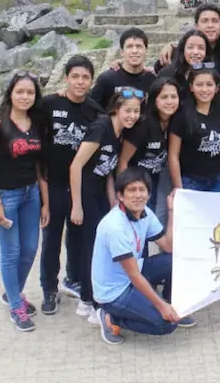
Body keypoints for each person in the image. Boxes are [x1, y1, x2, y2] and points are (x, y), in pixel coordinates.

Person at [0, 56, 101, 314]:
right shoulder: (49, 105)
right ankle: (49, 289)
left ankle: (78, 281)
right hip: (52, 183)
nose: (80, 82)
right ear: (67, 78)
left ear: (91, 81)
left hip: (80, 185)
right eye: (75, 76)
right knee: (50, 240)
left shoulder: (95, 111)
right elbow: (17, 113)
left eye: (85, 77)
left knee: (80, 237)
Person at [93, 168, 195, 345]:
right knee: (166, 325)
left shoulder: (145, 212)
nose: (138, 195)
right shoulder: (115, 226)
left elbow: (169, 247)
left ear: (149, 194)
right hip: (115, 292)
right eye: (131, 190)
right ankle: (111, 318)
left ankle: (173, 305)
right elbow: (133, 275)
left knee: (177, 261)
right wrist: (161, 306)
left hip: (133, 272)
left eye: (142, 190)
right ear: (121, 196)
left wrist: (171, 211)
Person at [0, 72, 50, 331]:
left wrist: (44, 201)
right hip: (6, 196)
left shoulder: (37, 121)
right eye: (20, 92)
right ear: (11, 93)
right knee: (11, 253)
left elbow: (39, 165)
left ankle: (13, 293)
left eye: (30, 93)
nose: (25, 97)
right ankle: (15, 305)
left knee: (30, 249)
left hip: (30, 194)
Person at [70, 89, 144, 325]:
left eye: (136, 111)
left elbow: (110, 171)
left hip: (101, 192)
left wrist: (115, 200)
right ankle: (87, 301)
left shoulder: (119, 132)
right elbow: (76, 166)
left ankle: (91, 298)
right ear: (116, 109)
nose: (132, 115)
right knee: (92, 248)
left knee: (100, 247)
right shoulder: (101, 127)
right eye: (128, 110)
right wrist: (77, 205)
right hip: (86, 193)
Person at [120, 78, 178, 225]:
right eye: (164, 97)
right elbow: (123, 160)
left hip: (155, 178)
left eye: (173, 96)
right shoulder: (143, 125)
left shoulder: (175, 121)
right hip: (136, 182)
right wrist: (125, 191)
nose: (169, 101)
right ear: (154, 100)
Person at [168, 67, 220, 193]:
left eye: (209, 85)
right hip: (191, 181)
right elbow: (173, 155)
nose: (204, 89)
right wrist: (179, 188)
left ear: (217, 87)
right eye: (199, 85)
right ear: (191, 87)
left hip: (219, 179)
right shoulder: (182, 115)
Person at [90, 28, 156, 108]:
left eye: (139, 46)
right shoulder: (106, 79)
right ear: (122, 52)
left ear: (146, 50)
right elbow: (92, 110)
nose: (134, 51)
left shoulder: (153, 80)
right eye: (129, 46)